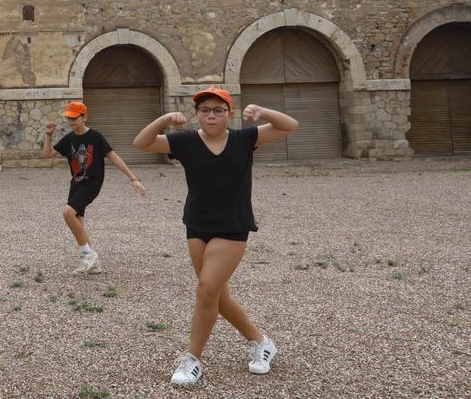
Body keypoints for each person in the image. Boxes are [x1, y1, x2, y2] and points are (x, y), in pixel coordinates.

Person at [133, 86, 297, 387]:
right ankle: (262, 343)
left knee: (206, 289)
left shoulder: (245, 138)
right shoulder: (184, 142)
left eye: (218, 110)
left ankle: (192, 358)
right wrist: (165, 119)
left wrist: (262, 113)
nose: (211, 115)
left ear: (228, 114)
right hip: (196, 226)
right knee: (217, 295)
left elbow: (290, 125)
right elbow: (141, 143)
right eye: (205, 110)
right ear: (197, 114)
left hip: (232, 226)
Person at [43, 101, 147, 275]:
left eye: (74, 118)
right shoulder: (69, 138)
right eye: (68, 118)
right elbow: (47, 155)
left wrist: (133, 179)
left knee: (67, 213)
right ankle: (93, 263)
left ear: (84, 117)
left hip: (92, 183)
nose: (70, 121)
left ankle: (88, 254)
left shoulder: (96, 137)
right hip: (76, 183)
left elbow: (114, 157)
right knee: (78, 223)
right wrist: (48, 135)